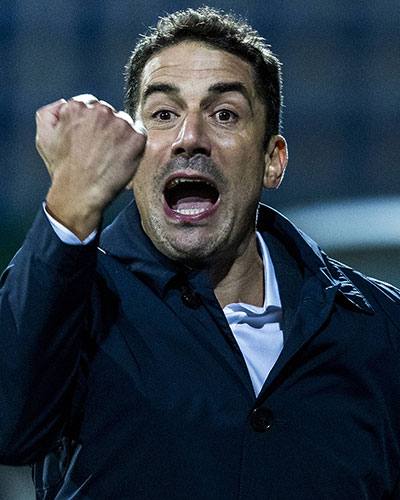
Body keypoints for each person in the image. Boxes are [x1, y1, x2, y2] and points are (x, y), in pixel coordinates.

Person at [0, 6, 399, 499]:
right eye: (163, 115)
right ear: (131, 157)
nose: (190, 138)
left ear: (272, 161)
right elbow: (10, 427)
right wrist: (71, 201)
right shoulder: (76, 302)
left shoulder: (380, 327)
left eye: (224, 114)